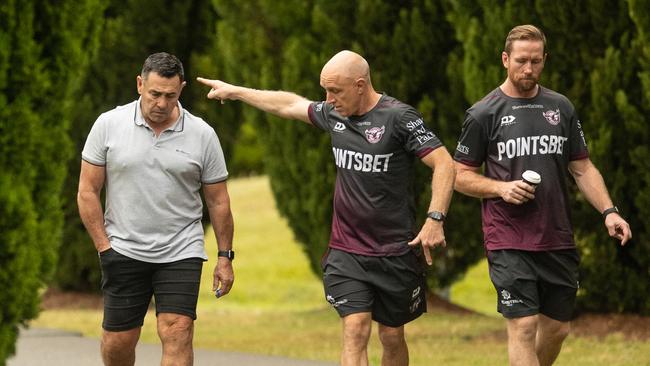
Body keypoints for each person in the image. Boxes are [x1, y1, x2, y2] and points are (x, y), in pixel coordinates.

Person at [197, 50, 454, 366]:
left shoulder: (399, 118)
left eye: (336, 91)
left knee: (391, 336)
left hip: (394, 251)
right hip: (347, 252)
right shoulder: (335, 114)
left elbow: (443, 163)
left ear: (360, 85)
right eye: (325, 91)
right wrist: (236, 91)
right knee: (355, 328)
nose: (328, 99)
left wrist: (435, 218)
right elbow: (290, 104)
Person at [453, 25, 632, 366]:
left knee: (557, 330)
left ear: (544, 60)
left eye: (536, 61)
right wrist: (501, 188)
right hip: (508, 238)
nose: (529, 69)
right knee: (522, 326)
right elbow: (459, 176)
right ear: (505, 59)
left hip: (556, 237)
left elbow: (582, 168)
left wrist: (610, 211)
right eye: (521, 60)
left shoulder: (560, 107)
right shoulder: (483, 113)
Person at [78, 52, 235, 366]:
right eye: (154, 94)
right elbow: (87, 191)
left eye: (170, 96)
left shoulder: (202, 134)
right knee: (118, 342)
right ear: (139, 84)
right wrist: (104, 247)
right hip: (122, 249)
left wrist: (224, 256)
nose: (162, 103)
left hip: (181, 250)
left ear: (182, 90)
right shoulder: (108, 125)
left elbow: (218, 201)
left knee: (178, 330)